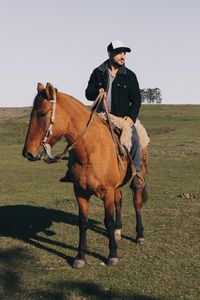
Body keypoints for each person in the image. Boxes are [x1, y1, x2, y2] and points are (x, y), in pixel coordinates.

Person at [85, 40, 144, 189]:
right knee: (81, 134)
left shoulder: (130, 76)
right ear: (110, 53)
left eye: (124, 53)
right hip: (100, 115)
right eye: (119, 53)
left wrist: (131, 117)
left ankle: (136, 173)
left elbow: (136, 99)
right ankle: (73, 170)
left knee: (135, 138)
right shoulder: (98, 72)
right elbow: (88, 93)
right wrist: (97, 92)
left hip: (121, 118)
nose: (122, 56)